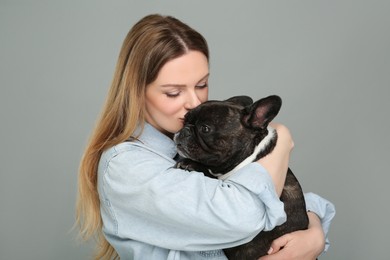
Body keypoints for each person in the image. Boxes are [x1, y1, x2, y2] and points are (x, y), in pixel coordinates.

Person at [76, 14, 335, 260]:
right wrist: (278, 142)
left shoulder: (202, 142)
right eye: (173, 93)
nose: (193, 102)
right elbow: (243, 215)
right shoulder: (126, 166)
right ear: (136, 92)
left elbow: (284, 196)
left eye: (201, 85)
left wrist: (313, 230)